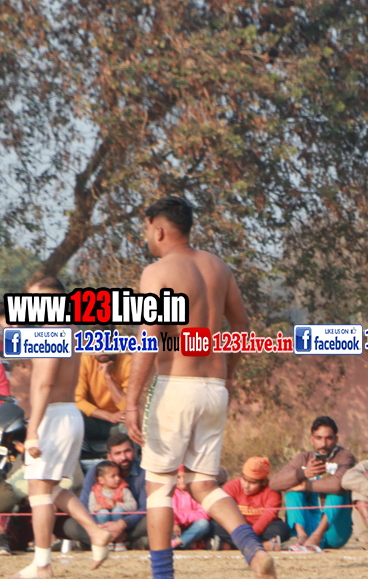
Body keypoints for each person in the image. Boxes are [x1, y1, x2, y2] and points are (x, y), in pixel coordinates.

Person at [125, 195, 275, 579]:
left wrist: (131, 401)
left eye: (146, 229)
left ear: (159, 229)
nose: (146, 237)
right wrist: (230, 374)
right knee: (203, 485)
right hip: (213, 388)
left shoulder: (158, 272)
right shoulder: (219, 267)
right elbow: (242, 326)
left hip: (175, 386)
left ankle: (162, 576)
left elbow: (148, 336)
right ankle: (254, 551)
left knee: (159, 488)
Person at [17, 276, 112, 578]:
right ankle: (95, 533)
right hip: (68, 414)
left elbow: (44, 384)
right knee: (52, 488)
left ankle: (43, 565)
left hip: (53, 417)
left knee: (39, 492)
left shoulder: (51, 332)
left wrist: (33, 430)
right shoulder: (70, 330)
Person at [267, 415, 355, 551]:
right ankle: (301, 536)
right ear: (312, 439)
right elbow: (274, 484)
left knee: (338, 491)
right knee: (291, 492)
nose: (323, 444)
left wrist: (304, 486)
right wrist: (304, 474)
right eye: (319, 438)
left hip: (334, 530)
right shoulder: (303, 458)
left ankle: (317, 536)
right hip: (309, 522)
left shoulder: (344, 456)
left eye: (329, 438)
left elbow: (337, 485)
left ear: (336, 439)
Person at [65, 433, 147, 549]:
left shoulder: (144, 471)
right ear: (109, 456)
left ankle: (115, 541)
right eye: (118, 453)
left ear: (134, 451)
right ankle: (109, 539)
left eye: (127, 451)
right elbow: (84, 504)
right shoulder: (97, 471)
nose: (123, 457)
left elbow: (144, 508)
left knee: (151, 521)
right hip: (100, 525)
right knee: (70, 526)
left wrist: (122, 524)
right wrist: (99, 528)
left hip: (131, 524)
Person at [213, 457, 288, 552]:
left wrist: (251, 534)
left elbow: (268, 515)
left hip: (261, 529)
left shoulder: (272, 491)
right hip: (237, 527)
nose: (246, 486)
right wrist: (244, 533)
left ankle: (232, 545)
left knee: (282, 528)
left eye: (252, 483)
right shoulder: (231, 486)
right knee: (213, 526)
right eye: (244, 480)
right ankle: (262, 545)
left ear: (263, 482)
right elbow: (227, 513)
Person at [74, 353, 131, 456]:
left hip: (119, 422)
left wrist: (108, 377)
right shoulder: (85, 360)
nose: (102, 350)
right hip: (93, 420)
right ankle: (84, 456)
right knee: (73, 413)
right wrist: (109, 416)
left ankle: (125, 457)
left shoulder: (127, 362)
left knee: (132, 416)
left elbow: (126, 406)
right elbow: (78, 400)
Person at [88, 461, 136, 549]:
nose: (117, 478)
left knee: (117, 511)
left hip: (120, 523)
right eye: (113, 476)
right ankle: (107, 540)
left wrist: (117, 505)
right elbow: (91, 507)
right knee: (102, 513)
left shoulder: (124, 490)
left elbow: (133, 506)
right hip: (102, 523)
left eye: (118, 475)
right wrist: (95, 508)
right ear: (101, 480)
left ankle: (119, 540)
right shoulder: (94, 492)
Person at [171, 468, 211, 550]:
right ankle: (187, 543)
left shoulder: (197, 492)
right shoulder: (171, 492)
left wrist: (182, 517)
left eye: (185, 477)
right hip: (175, 528)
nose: (182, 480)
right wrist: (174, 523)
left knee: (204, 524)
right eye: (178, 477)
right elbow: (170, 512)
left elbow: (204, 514)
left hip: (192, 528)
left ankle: (178, 542)